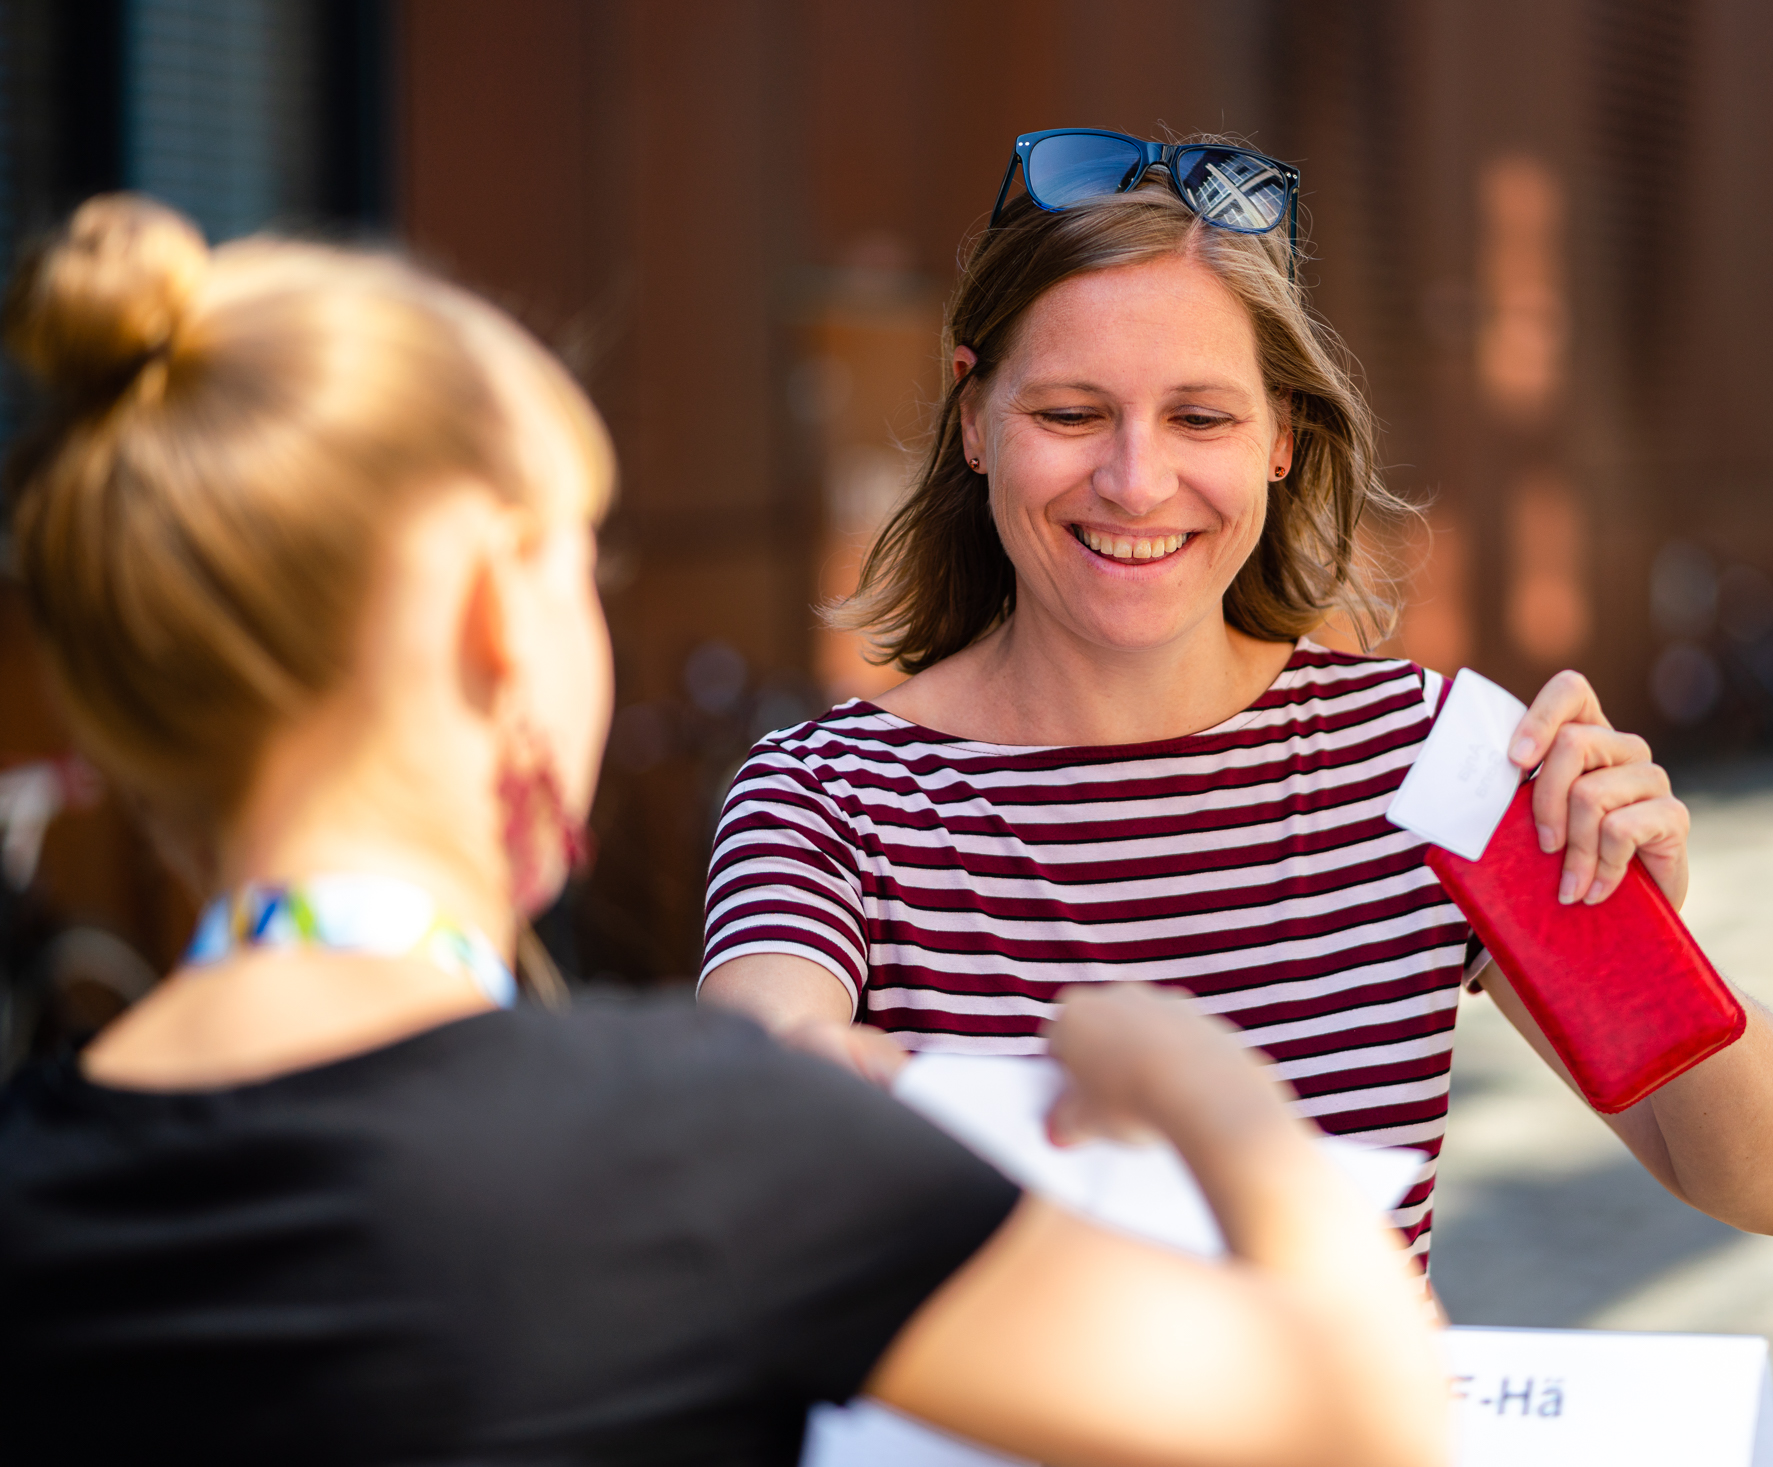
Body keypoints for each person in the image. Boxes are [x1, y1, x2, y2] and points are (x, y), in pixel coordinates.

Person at [0, 194, 1447, 1467]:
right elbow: (1367, 1412)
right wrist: (1198, 1085)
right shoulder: (699, 1147)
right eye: (586, 562)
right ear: (499, 610)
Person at [701, 130, 1773, 1266]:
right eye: (1071, 414)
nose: (1136, 482)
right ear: (973, 420)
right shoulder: (824, 795)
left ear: (1282, 437)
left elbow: (1768, 1186)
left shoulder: (1433, 759)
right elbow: (758, 1072)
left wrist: (1647, 952)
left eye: (1200, 418)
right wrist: (804, 1081)